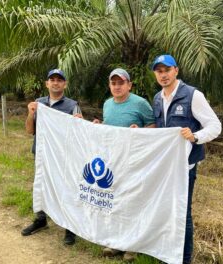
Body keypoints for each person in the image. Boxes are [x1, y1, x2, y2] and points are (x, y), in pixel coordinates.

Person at [151, 55, 222, 264]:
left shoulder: (192, 95)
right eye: (159, 71)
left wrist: (196, 136)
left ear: (176, 71)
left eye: (167, 70)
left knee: (182, 213)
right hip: (165, 167)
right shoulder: (157, 98)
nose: (163, 75)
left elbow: (215, 126)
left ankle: (184, 259)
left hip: (185, 166)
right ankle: (167, 255)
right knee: (166, 211)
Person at [94, 68, 155, 262]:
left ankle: (132, 247)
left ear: (129, 85)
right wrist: (99, 125)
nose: (117, 86)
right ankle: (114, 243)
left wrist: (140, 131)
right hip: (112, 162)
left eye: (121, 83)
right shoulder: (107, 104)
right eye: (114, 83)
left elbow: (153, 127)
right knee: (114, 200)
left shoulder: (140, 103)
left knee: (133, 202)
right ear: (109, 86)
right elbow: (109, 125)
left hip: (134, 162)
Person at [21, 68, 82, 246]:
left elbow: (79, 132)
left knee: (67, 189)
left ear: (65, 84)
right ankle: (41, 220)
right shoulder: (38, 103)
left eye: (59, 80)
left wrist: (79, 120)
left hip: (64, 157)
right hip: (41, 155)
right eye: (52, 79)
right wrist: (31, 113)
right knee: (41, 185)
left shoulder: (72, 105)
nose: (55, 82)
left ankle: (69, 228)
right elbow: (29, 131)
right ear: (47, 83)